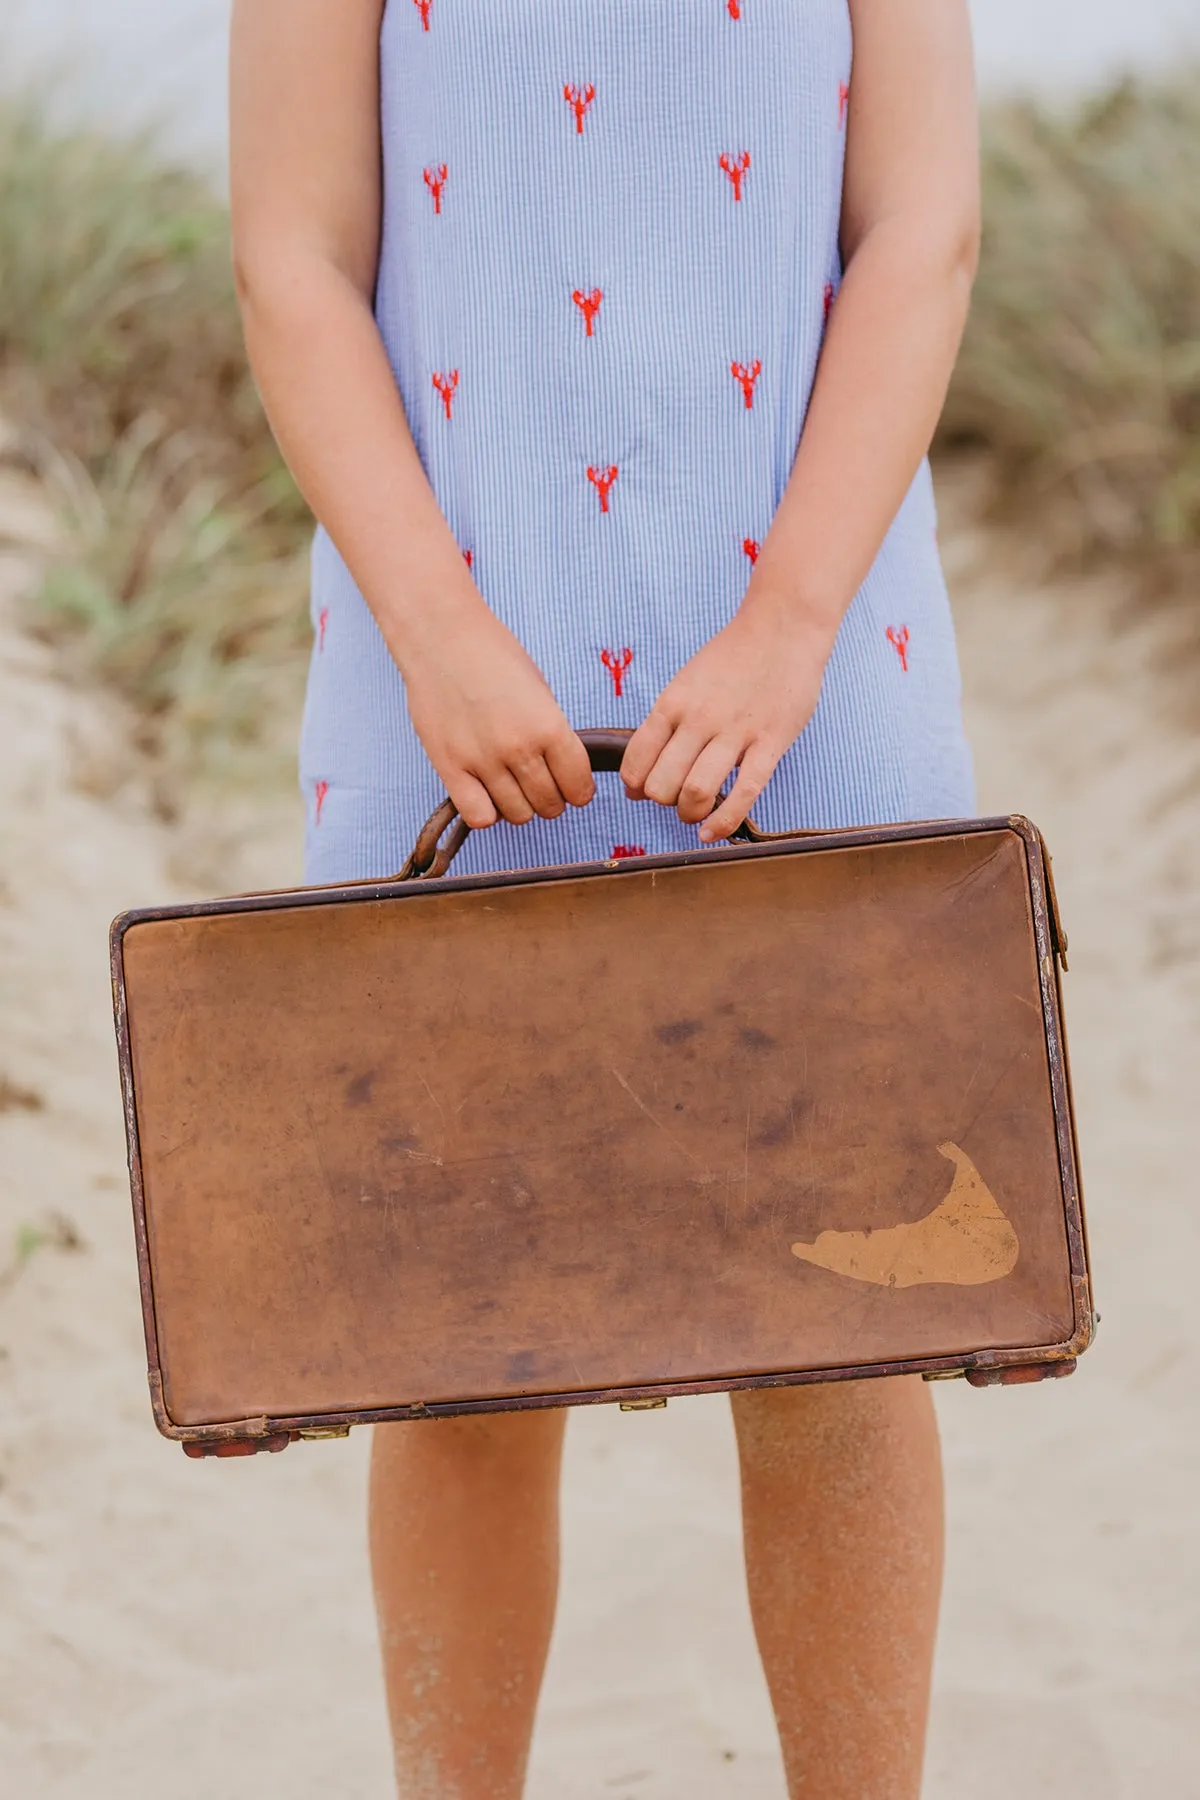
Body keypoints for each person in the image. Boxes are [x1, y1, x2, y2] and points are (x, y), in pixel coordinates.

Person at [229, 1, 979, 1793]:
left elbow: (922, 225)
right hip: (446, 657)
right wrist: (434, 628)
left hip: (822, 635)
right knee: (468, 1348)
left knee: (836, 1331)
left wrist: (790, 624)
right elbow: (293, 252)